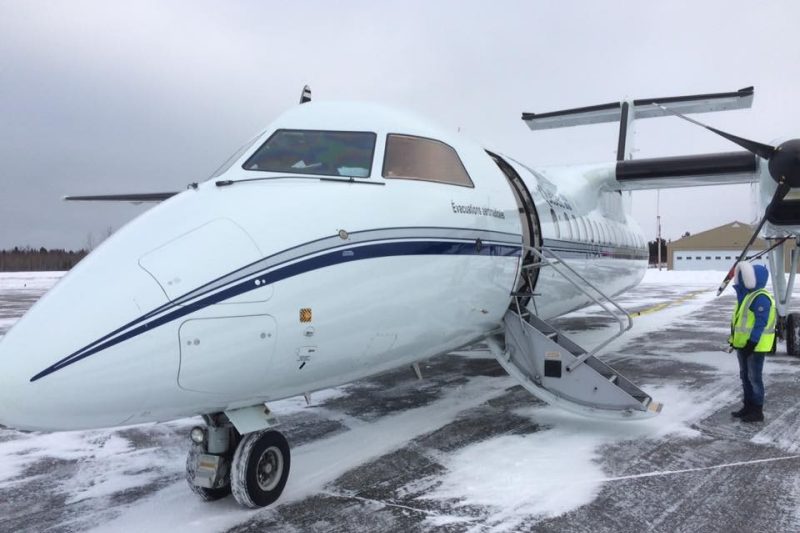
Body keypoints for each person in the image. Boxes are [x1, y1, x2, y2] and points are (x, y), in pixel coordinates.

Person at [728, 261, 776, 423]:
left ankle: (757, 411)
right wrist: (735, 341)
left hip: (755, 346)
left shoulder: (761, 297)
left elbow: (760, 322)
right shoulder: (748, 295)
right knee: (745, 376)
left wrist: (752, 342)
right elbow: (739, 322)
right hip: (744, 345)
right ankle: (748, 406)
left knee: (754, 378)